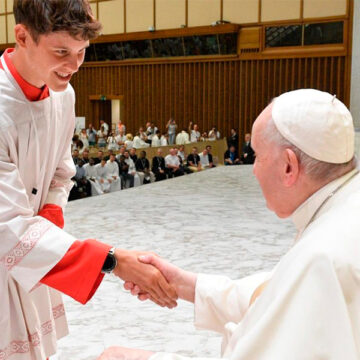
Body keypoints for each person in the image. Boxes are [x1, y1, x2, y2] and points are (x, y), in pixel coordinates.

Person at [99, 89, 360, 360]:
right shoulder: (343, 210)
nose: (254, 170)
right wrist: (185, 284)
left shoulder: (320, 258)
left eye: (257, 156)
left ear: (288, 167)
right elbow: (273, 296)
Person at [0, 2, 177, 359]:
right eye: (61, 51)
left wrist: (49, 218)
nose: (72, 66)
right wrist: (110, 260)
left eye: (81, 52)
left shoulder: (63, 96)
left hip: (34, 248)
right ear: (22, 35)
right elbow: (6, 228)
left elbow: (62, 172)